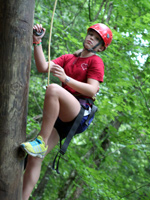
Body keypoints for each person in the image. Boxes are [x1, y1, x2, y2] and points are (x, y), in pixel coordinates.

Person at [21, 23, 113, 200]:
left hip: (78, 112)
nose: (90, 38)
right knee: (34, 158)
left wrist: (65, 79)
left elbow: (92, 90)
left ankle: (41, 140)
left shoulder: (95, 61)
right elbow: (42, 67)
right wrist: (37, 42)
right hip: (62, 116)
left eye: (96, 38)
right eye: (90, 34)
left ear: (101, 48)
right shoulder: (69, 58)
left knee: (54, 89)